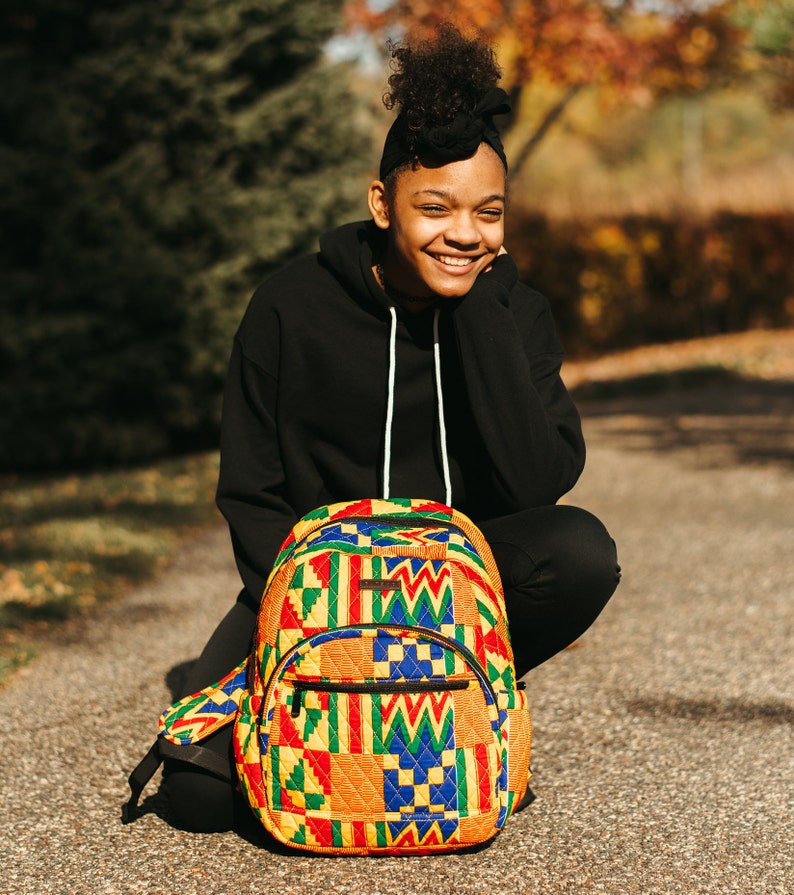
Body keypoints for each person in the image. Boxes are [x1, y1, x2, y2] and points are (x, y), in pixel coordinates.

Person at [164, 24, 620, 834]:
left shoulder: (515, 312)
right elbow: (251, 489)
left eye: (488, 212)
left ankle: (457, 705)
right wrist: (318, 619)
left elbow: (533, 481)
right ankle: (358, 720)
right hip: (308, 587)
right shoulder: (289, 308)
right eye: (435, 208)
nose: (463, 231)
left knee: (581, 553)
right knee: (198, 798)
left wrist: (476, 306)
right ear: (383, 205)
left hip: (453, 592)